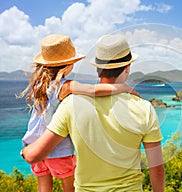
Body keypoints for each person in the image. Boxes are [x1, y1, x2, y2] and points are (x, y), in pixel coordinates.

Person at [21, 34, 165, 191]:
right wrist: (126, 89)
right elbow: (157, 170)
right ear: (127, 68)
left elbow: (35, 154)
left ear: (98, 69)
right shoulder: (144, 108)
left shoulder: (70, 104)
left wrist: (25, 150)